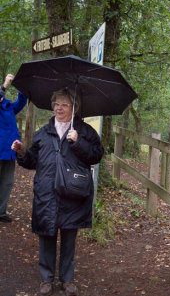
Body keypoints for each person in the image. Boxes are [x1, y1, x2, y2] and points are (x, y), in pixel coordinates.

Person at [12, 88, 104, 296]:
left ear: (74, 107)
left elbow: (96, 155)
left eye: (64, 104)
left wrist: (78, 141)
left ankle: (67, 279)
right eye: (56, 104)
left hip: (73, 194)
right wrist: (22, 152)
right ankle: (46, 280)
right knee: (46, 235)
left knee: (69, 237)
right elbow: (32, 161)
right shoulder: (42, 133)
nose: (58, 108)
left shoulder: (86, 131)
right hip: (47, 192)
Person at [0, 73, 27, 223]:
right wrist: (5, 85)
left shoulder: (9, 106)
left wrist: (21, 86)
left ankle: (1, 211)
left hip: (10, 151)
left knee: (7, 182)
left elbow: (21, 101)